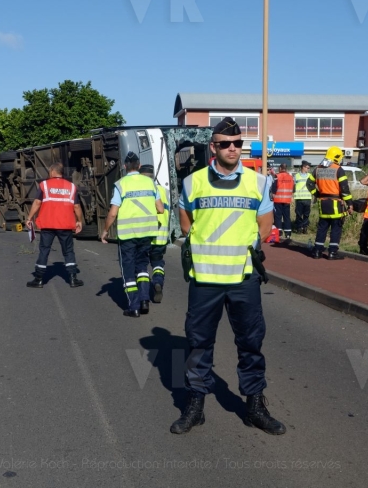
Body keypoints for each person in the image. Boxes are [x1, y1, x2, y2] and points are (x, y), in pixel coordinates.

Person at [171, 117, 285, 436]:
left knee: (251, 342)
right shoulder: (193, 182)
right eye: (225, 143)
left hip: (243, 278)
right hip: (205, 279)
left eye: (237, 144)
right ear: (213, 147)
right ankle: (195, 404)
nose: (232, 148)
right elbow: (185, 221)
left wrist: (246, 246)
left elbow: (265, 224)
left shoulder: (258, 182)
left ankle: (255, 405)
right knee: (198, 343)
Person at [100, 152, 164, 318]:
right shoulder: (150, 183)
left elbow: (113, 213)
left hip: (128, 236)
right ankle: (144, 300)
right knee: (142, 267)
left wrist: (105, 231)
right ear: (139, 166)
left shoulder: (121, 185)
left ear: (124, 167)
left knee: (128, 271)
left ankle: (134, 306)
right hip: (147, 233)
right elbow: (160, 209)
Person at [25, 162, 85, 289]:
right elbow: (77, 206)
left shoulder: (44, 185)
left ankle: (39, 279)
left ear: (52, 171)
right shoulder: (71, 187)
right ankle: (73, 279)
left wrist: (30, 218)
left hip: (48, 224)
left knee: (44, 250)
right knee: (68, 251)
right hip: (65, 224)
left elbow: (37, 202)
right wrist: (79, 221)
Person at [306, 146, 353, 260]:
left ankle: (317, 251)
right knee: (336, 228)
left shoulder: (318, 168)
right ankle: (332, 253)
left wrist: (317, 194)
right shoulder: (338, 169)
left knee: (322, 227)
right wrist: (350, 203)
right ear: (337, 157)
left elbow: (309, 184)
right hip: (336, 204)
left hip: (323, 204)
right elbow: (344, 189)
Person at [140, 164, 169, 304]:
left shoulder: (143, 190)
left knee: (142, 265)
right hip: (161, 235)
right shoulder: (163, 191)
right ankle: (157, 282)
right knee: (158, 263)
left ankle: (144, 293)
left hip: (146, 234)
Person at [272, 163, 295, 240]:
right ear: (286, 168)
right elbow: (293, 189)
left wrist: (273, 195)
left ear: (280, 168)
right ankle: (288, 233)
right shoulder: (291, 177)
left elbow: (274, 188)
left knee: (278, 216)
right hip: (287, 200)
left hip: (278, 199)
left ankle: (279, 232)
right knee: (287, 217)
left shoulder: (277, 176)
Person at [292, 160, 312, 234]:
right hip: (299, 198)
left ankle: (305, 227)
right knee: (299, 214)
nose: (308, 169)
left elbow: (313, 186)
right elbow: (293, 187)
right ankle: (299, 228)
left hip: (307, 198)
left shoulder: (310, 176)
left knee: (306, 214)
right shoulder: (296, 176)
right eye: (307, 168)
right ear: (303, 167)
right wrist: (292, 195)